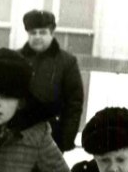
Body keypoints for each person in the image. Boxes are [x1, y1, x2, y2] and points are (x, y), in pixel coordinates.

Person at [18, 9, 84, 152]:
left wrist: (65, 140)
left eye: (42, 32)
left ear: (51, 33)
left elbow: (74, 104)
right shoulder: (16, 59)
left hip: (52, 137)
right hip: (18, 135)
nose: (37, 37)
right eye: (33, 33)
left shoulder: (67, 62)